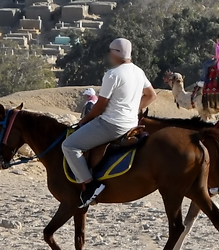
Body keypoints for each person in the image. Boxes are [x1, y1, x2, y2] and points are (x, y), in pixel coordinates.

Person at [63, 38, 156, 208]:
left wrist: (83, 120)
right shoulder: (138, 71)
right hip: (132, 123)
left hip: (111, 124)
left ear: (115, 53)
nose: (108, 55)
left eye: (110, 52)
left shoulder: (112, 74)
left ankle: (91, 186)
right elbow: (151, 95)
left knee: (69, 145)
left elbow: (100, 105)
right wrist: (134, 108)